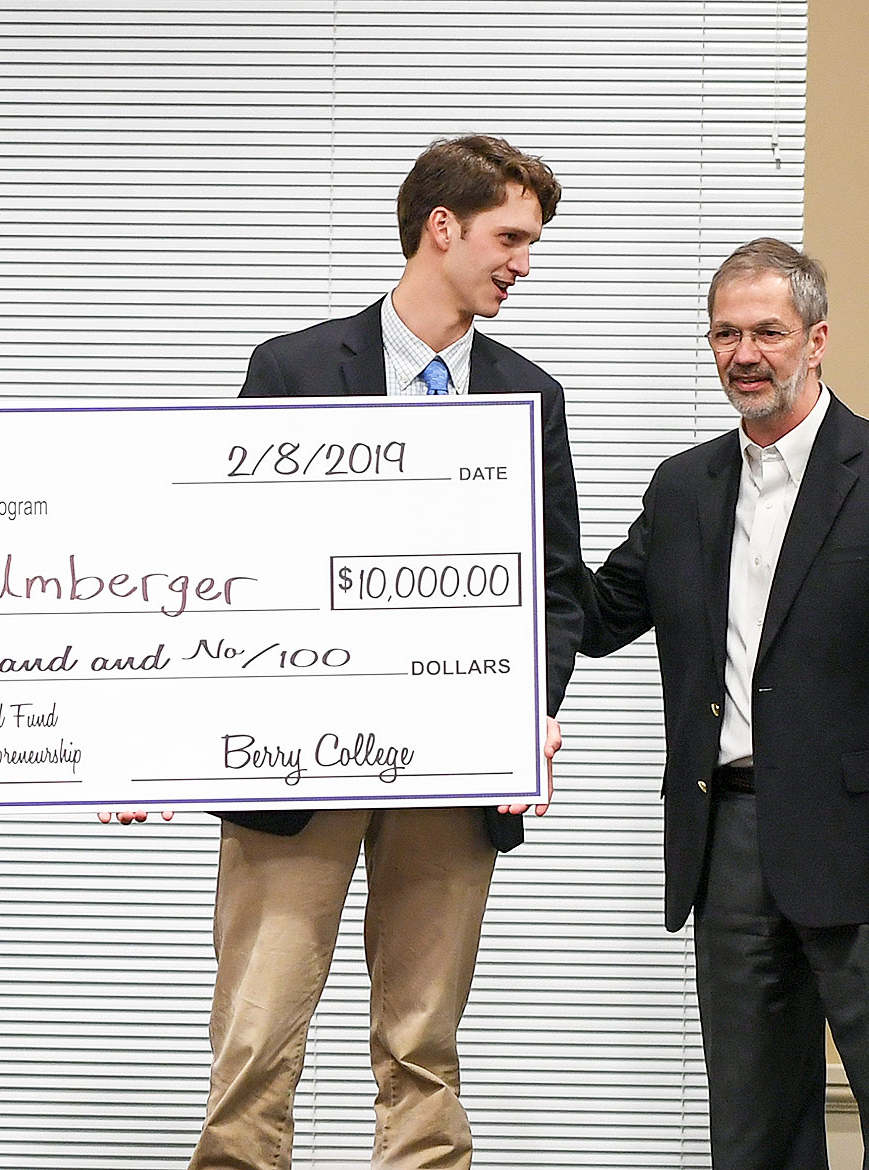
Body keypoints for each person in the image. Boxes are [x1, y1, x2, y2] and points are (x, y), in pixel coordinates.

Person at [185, 134, 585, 1170]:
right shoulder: (294, 369)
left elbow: (553, 589)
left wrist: (531, 713)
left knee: (422, 1045)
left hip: (453, 768)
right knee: (256, 1039)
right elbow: (220, 561)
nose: (523, 263)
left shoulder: (527, 394)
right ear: (439, 229)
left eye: (532, 243)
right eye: (510, 237)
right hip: (293, 762)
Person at [581, 238, 869, 1170]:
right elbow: (596, 618)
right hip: (732, 848)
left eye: (768, 330)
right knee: (754, 1127)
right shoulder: (684, 489)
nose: (744, 353)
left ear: (817, 339)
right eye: (725, 333)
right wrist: (504, 507)